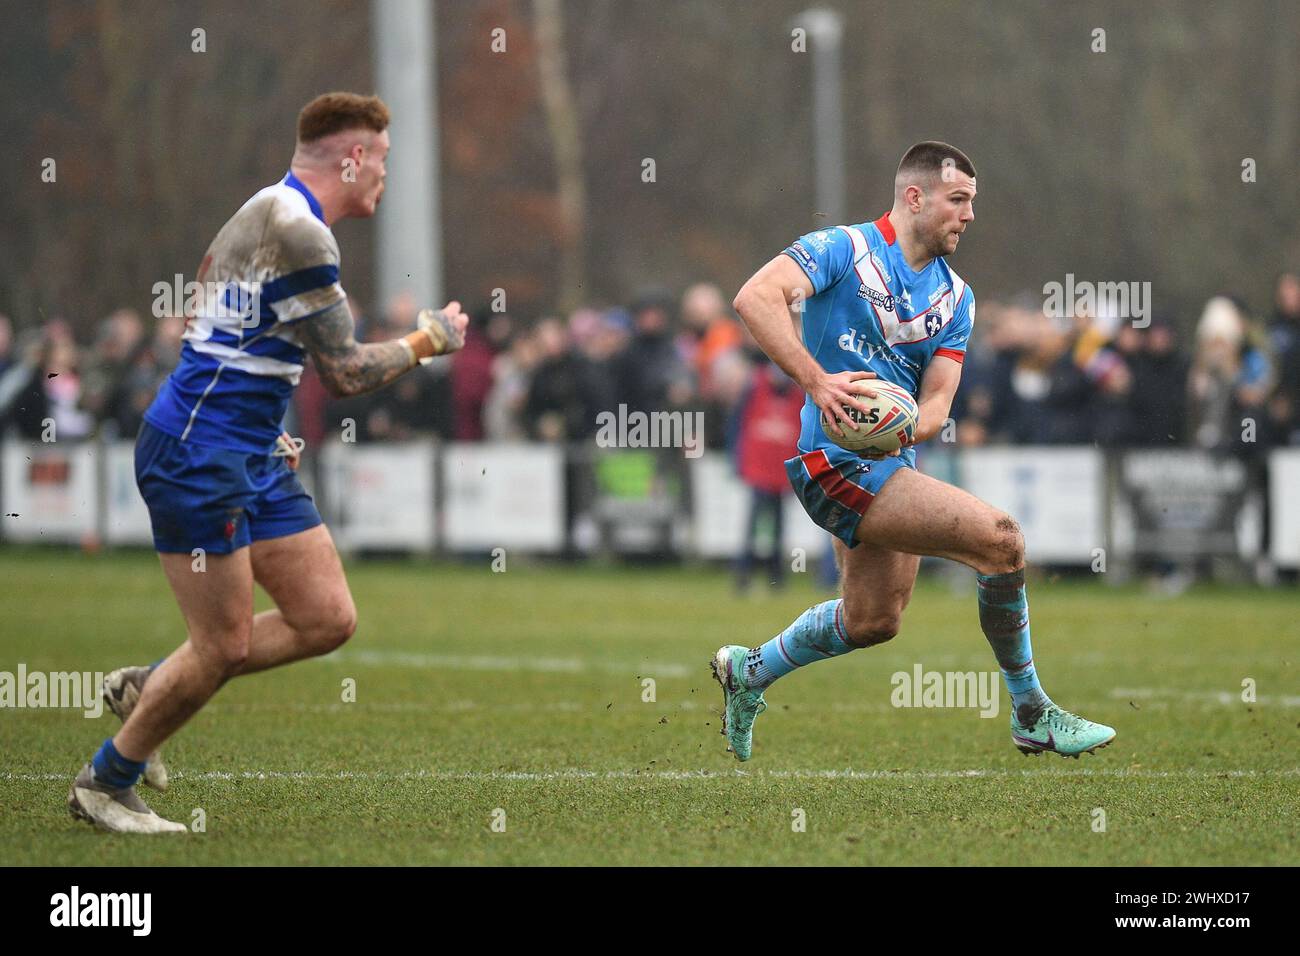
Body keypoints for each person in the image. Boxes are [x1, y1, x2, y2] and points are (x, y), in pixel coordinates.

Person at [68, 92, 468, 833]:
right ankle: (105, 781)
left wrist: (255, 411)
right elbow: (345, 373)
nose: (384, 173)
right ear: (352, 157)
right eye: (381, 158)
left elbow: (209, 305)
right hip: (201, 453)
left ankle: (148, 685)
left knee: (326, 617)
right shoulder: (303, 235)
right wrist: (427, 341)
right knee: (223, 644)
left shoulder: (263, 208)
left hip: (243, 445)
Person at [715, 141, 1115, 761]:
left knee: (874, 620)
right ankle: (1033, 711)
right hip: (833, 462)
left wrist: (900, 428)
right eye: (958, 200)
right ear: (914, 197)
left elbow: (936, 406)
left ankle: (749, 672)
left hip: (888, 461)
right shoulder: (842, 250)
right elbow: (754, 298)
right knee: (1001, 541)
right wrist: (816, 381)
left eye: (973, 202)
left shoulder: (957, 298)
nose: (969, 215)